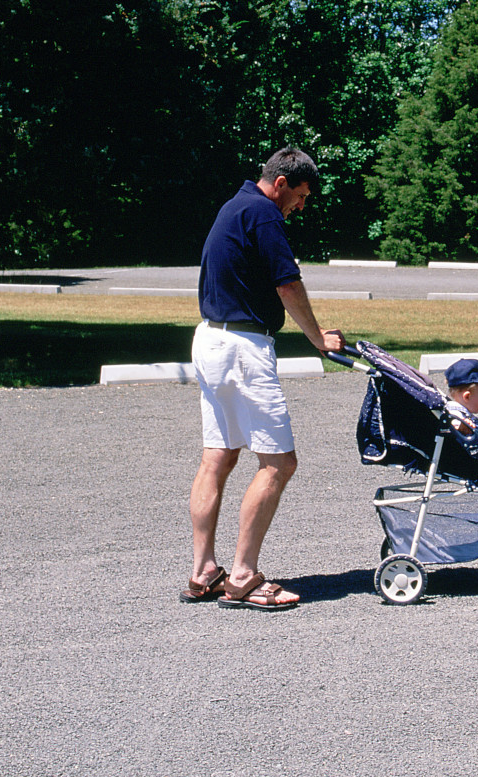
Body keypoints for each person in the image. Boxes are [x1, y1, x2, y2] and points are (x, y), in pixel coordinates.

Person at [179, 147, 344, 611]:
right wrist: (317, 337)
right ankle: (245, 576)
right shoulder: (265, 214)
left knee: (218, 457)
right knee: (279, 463)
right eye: (301, 195)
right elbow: (287, 284)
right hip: (243, 350)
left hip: (210, 339)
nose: (301, 206)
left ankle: (203, 572)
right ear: (281, 184)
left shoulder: (234, 206)